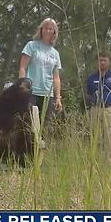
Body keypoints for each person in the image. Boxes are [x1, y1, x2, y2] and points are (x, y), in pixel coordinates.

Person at [19, 18, 63, 146]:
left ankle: (40, 159)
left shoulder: (55, 53)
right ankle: (25, 156)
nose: (48, 30)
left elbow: (56, 77)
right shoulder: (31, 46)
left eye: (51, 28)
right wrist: (22, 86)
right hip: (31, 91)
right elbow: (23, 67)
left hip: (47, 94)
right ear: (41, 30)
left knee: (46, 126)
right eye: (46, 28)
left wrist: (58, 97)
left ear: (54, 32)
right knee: (29, 124)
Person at [86, 51, 111, 165]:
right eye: (100, 60)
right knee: (95, 137)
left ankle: (110, 165)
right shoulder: (91, 78)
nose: (102, 62)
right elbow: (89, 93)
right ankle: (94, 163)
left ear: (109, 62)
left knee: (110, 137)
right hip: (96, 109)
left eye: (104, 60)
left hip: (110, 109)